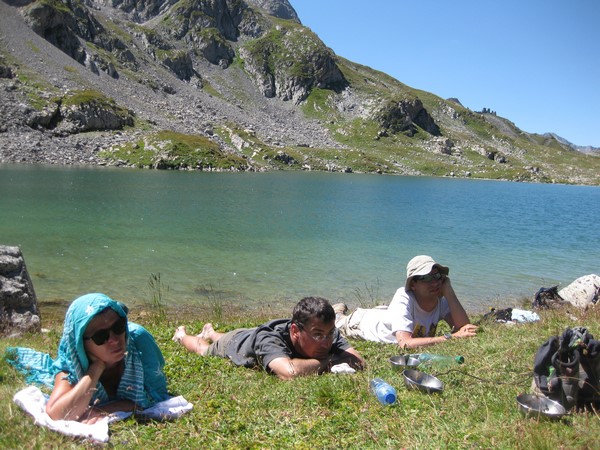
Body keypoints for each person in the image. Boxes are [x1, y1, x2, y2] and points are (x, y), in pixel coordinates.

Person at [7, 293, 171, 423]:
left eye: (118, 327)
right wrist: (95, 369)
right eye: (101, 336)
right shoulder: (73, 359)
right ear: (80, 343)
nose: (114, 339)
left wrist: (102, 410)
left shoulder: (138, 342)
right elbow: (57, 414)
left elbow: (155, 396)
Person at [172, 296, 365, 380]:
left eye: (329, 333)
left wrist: (326, 357)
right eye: (317, 335)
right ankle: (182, 335)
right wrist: (329, 360)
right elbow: (290, 373)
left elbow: (359, 361)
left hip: (250, 334)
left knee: (218, 335)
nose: (326, 341)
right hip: (236, 343)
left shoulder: (328, 331)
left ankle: (211, 331)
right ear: (296, 331)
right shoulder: (270, 337)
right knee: (204, 349)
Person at [335, 255, 478, 349]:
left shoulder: (439, 298)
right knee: (336, 322)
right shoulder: (403, 296)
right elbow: (405, 343)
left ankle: (339, 310)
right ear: (413, 284)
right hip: (360, 324)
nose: (435, 283)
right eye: (427, 278)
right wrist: (451, 337)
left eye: (438, 276)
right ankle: (338, 313)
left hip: (383, 314)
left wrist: (449, 291)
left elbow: (464, 327)